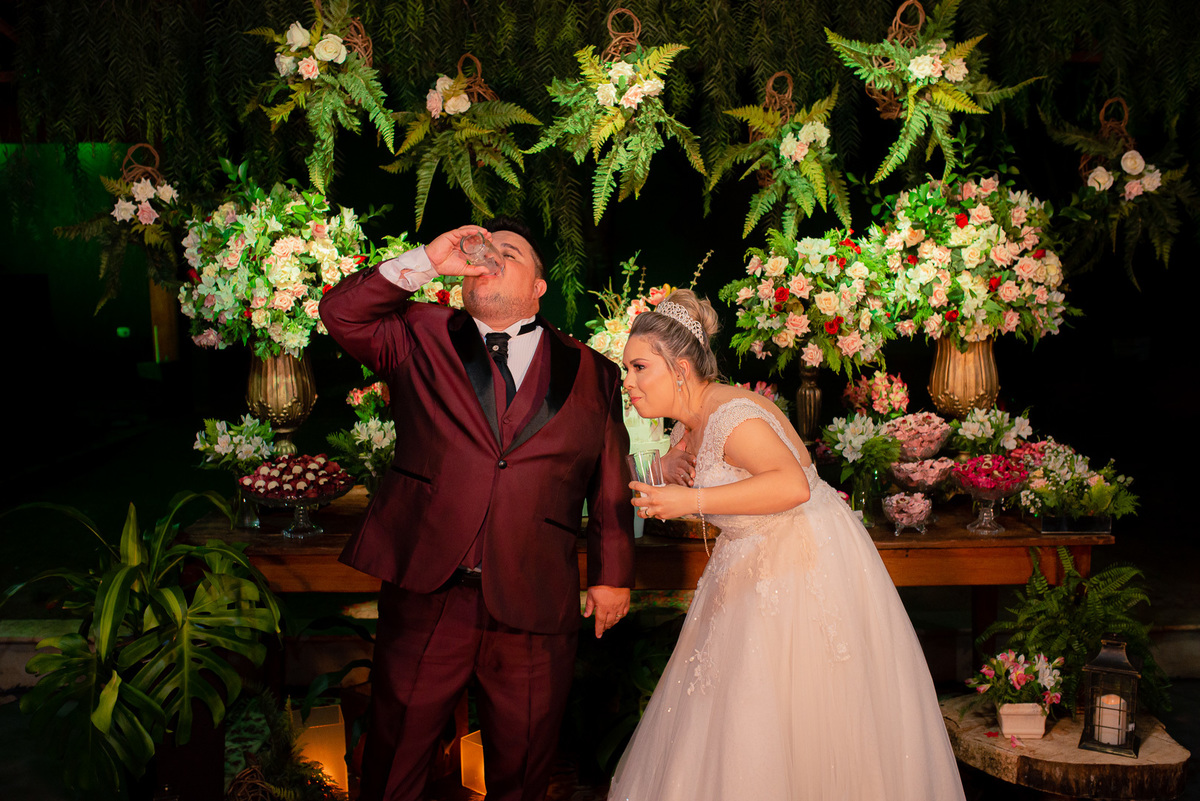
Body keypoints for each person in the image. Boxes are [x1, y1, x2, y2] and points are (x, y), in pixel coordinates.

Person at [319, 218, 635, 801]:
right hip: (429, 592)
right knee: (396, 760)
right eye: (480, 250)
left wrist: (613, 576)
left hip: (535, 600)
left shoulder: (595, 372)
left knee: (523, 770)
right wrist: (429, 260)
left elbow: (611, 479)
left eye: (509, 252)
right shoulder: (419, 332)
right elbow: (341, 313)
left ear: (539, 286)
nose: (489, 256)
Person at [607, 290, 966, 801]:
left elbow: (792, 487)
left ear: (680, 367)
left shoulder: (733, 417)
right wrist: (661, 470)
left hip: (798, 559)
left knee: (788, 709)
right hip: (750, 558)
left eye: (639, 367)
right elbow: (674, 470)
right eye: (627, 369)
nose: (629, 382)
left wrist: (691, 502)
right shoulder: (694, 417)